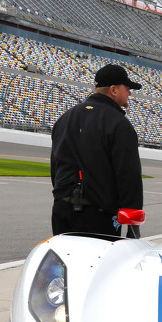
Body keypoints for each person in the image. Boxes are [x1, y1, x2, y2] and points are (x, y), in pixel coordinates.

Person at [50, 64, 144, 237]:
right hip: (99, 215)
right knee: (98, 263)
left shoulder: (65, 117)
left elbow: (55, 167)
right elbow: (128, 175)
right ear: (114, 90)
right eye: (128, 88)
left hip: (62, 209)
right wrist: (133, 223)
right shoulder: (118, 123)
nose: (130, 93)